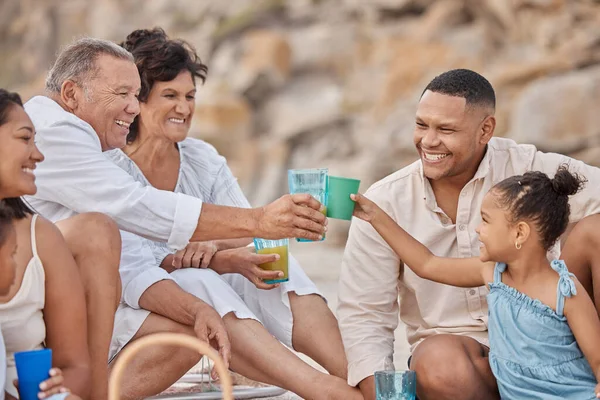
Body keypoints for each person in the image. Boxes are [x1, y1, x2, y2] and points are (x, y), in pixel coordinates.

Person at [21, 37, 326, 397]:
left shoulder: (128, 153)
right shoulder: (55, 132)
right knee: (116, 241)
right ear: (72, 94)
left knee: (200, 319)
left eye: (136, 95)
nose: (133, 107)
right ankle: (323, 389)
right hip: (40, 313)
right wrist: (258, 221)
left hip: (92, 303)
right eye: (123, 94)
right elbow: (136, 206)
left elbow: (133, 262)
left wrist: (200, 301)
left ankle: (347, 377)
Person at [102, 27, 361, 400]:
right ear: (137, 102)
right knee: (198, 281)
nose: (184, 107)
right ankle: (323, 389)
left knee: (271, 262)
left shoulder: (201, 158)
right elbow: (136, 274)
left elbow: (247, 225)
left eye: (190, 96)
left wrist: (220, 250)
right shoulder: (110, 169)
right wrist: (216, 259)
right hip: (132, 309)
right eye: (170, 95)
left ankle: (359, 376)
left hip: (190, 293)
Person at [337, 68, 600, 400]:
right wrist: (380, 393)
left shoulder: (527, 171)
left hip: (556, 347)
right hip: (463, 360)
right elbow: (368, 310)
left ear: (485, 130)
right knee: (440, 366)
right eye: (421, 125)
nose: (429, 141)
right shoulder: (386, 200)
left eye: (446, 129)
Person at [350, 166, 600, 399]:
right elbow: (427, 264)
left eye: (486, 220)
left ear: (520, 233)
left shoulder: (566, 291)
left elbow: (598, 361)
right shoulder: (492, 273)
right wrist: (375, 216)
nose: (478, 230)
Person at [0, 90, 87, 400]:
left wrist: (57, 388)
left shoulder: (41, 237)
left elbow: (75, 365)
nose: (38, 155)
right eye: (25, 139)